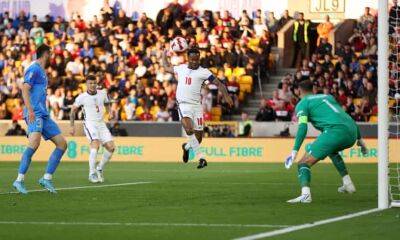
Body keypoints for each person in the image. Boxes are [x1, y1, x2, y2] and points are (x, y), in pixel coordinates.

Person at [285, 80, 368, 203]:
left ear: (298, 91)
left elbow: (303, 127)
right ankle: (347, 182)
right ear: (313, 89)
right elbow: (345, 117)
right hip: (352, 131)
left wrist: (294, 151)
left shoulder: (302, 104)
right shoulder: (328, 97)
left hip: (335, 131)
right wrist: (360, 141)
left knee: (303, 163)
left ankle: (306, 195)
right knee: (332, 151)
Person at [13, 44, 67, 194]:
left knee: (62, 144)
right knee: (34, 143)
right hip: (34, 112)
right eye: (50, 53)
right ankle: (19, 180)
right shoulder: (34, 69)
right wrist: (30, 110)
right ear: (45, 54)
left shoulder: (43, 72)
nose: (52, 56)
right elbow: (25, 88)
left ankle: (47, 178)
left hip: (43, 113)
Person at [167, 48, 233, 168]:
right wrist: (163, 55)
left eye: (197, 60)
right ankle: (201, 158)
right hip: (183, 104)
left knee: (198, 137)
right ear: (188, 58)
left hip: (197, 106)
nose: (195, 62)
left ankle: (186, 147)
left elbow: (219, 84)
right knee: (188, 128)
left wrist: (227, 96)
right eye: (192, 60)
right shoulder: (180, 68)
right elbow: (166, 67)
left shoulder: (204, 72)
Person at [70, 75, 116, 183]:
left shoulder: (102, 93)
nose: (92, 85)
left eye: (94, 83)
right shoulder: (81, 97)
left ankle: (99, 168)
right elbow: (72, 111)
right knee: (95, 144)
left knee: (111, 147)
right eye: (90, 83)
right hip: (90, 123)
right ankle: (92, 173)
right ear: (86, 84)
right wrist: (72, 126)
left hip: (101, 123)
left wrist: (109, 112)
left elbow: (107, 103)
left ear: (97, 83)